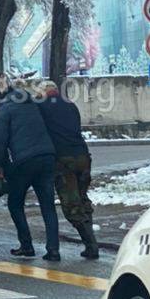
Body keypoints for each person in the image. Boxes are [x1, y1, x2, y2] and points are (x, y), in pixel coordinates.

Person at [0, 78, 61, 261]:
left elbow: (0, 141)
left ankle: (26, 245)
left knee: (15, 203)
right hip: (47, 156)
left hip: (24, 161)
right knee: (48, 205)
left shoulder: (4, 110)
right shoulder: (33, 104)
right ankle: (53, 249)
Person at [36, 80, 99, 260]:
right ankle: (90, 244)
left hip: (64, 159)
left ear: (43, 92)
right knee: (82, 198)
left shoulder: (43, 106)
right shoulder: (71, 105)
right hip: (83, 155)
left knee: (71, 204)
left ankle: (91, 244)